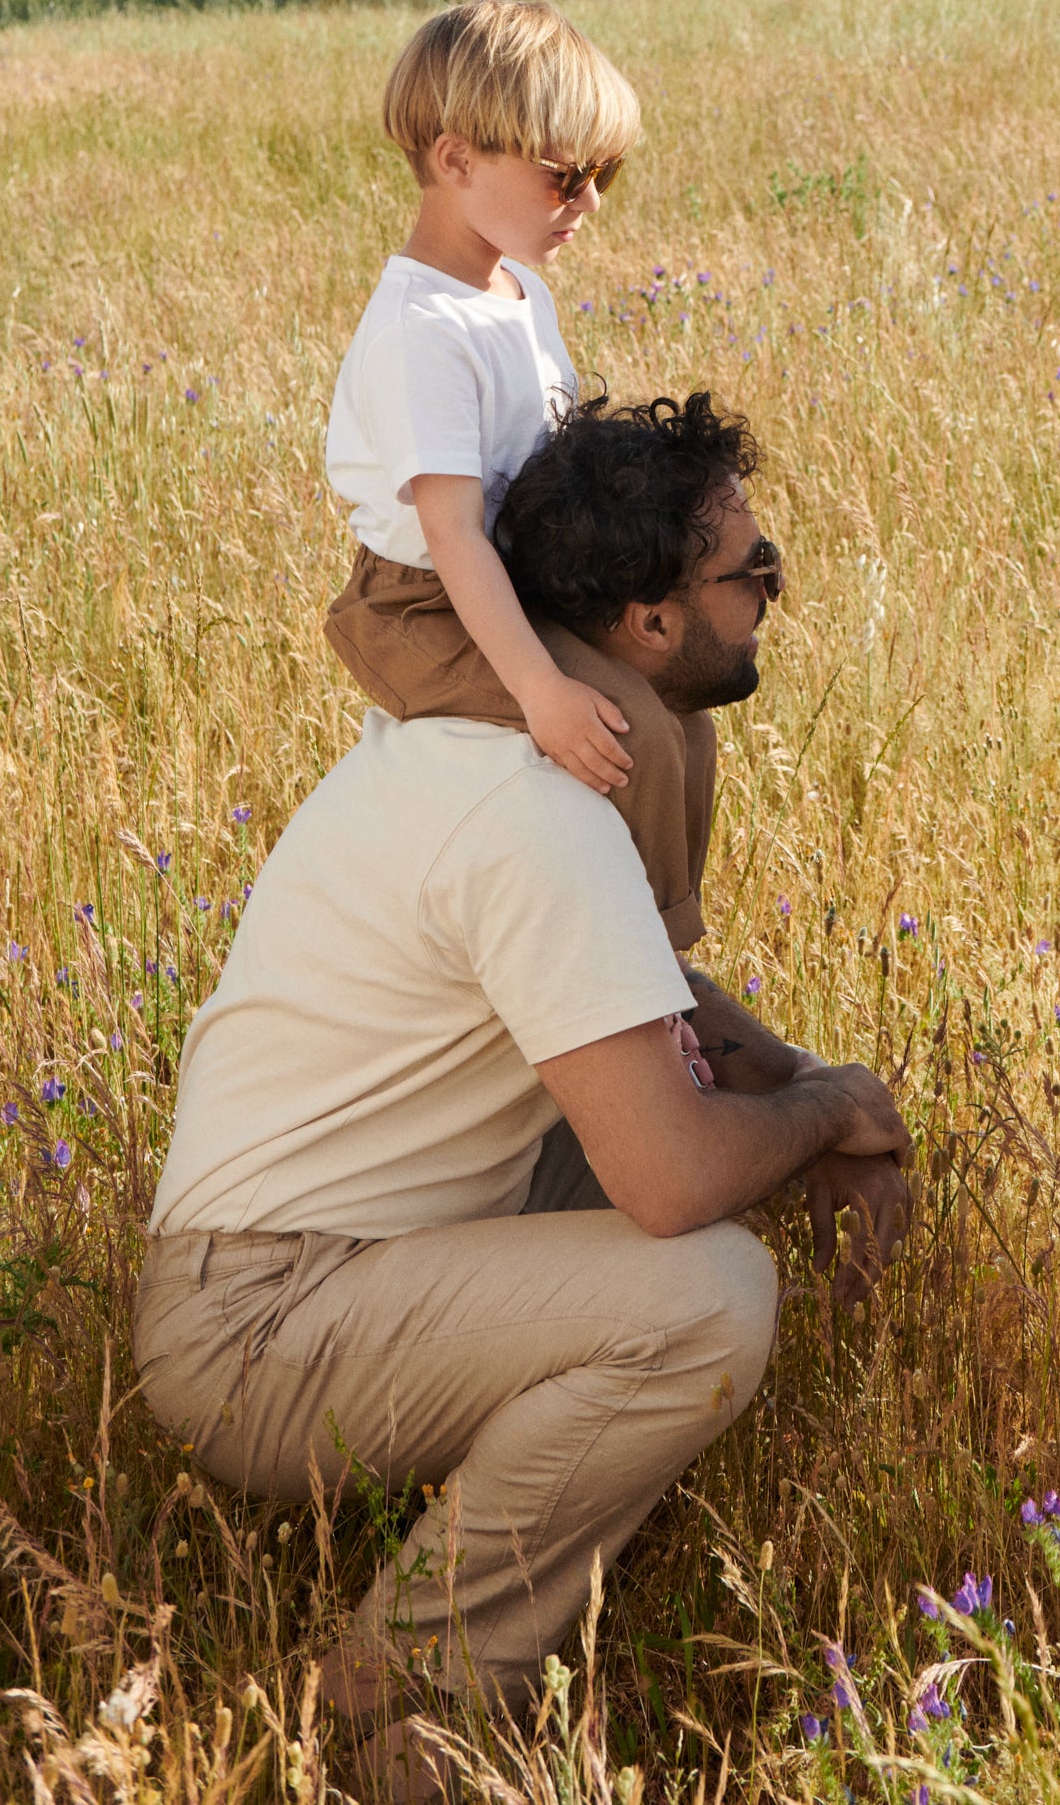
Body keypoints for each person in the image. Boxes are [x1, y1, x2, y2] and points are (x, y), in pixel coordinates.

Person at [135, 393, 909, 1795]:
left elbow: (650, 1010)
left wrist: (808, 1093)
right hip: (259, 1321)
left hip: (364, 1249)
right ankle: (395, 1706)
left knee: (719, 1174)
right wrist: (820, 1118)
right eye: (756, 573)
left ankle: (541, 1568)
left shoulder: (541, 750)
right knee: (705, 1294)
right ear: (650, 625)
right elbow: (670, 1176)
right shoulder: (533, 808)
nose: (771, 598)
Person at [322, 0, 646, 796]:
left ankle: (649, 922)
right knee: (630, 729)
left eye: (605, 173)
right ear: (457, 160)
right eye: (567, 176)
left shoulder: (521, 291)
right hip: (421, 607)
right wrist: (542, 691)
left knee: (680, 702)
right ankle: (633, 923)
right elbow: (455, 535)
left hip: (515, 573)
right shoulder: (422, 329)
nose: (592, 201)